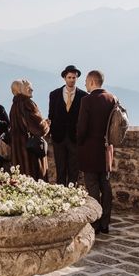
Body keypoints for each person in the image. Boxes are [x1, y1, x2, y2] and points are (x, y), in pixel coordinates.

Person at [77, 70, 116, 234]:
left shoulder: (87, 100)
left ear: (92, 82)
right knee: (106, 186)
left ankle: (95, 222)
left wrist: (78, 142)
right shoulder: (112, 98)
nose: (85, 84)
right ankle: (105, 223)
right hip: (107, 150)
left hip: (90, 149)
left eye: (86, 81)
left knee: (92, 186)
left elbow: (82, 128)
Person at [49, 65, 87, 186]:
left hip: (75, 138)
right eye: (69, 77)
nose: (71, 80)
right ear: (64, 78)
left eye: (74, 78)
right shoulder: (54, 94)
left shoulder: (84, 96)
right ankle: (60, 195)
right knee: (60, 168)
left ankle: (72, 195)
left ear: (77, 78)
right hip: (58, 138)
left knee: (74, 170)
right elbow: (51, 115)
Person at [9, 79, 50, 180]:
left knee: (23, 183)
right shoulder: (27, 104)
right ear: (20, 90)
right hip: (31, 154)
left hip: (19, 150)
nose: (32, 89)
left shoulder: (14, 106)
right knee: (36, 183)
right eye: (28, 87)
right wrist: (46, 124)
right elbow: (39, 129)